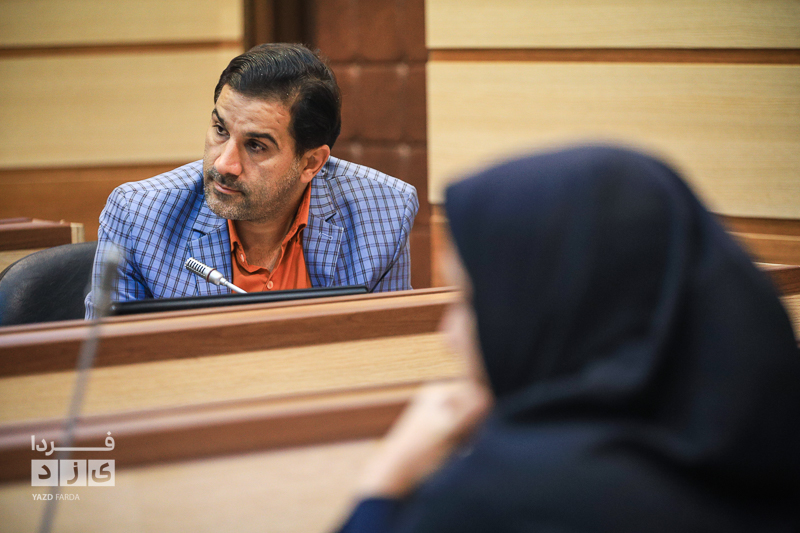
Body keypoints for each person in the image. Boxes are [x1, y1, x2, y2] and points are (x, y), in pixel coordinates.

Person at [337, 145, 800, 532]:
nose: (449, 334)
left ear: (553, 307)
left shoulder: (502, 493)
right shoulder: (765, 435)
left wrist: (385, 480)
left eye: (472, 302)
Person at [85, 44, 418, 318]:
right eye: (220, 130)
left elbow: (388, 353)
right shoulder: (138, 217)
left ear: (311, 163)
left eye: (256, 146)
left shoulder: (384, 214)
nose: (224, 164)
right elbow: (108, 364)